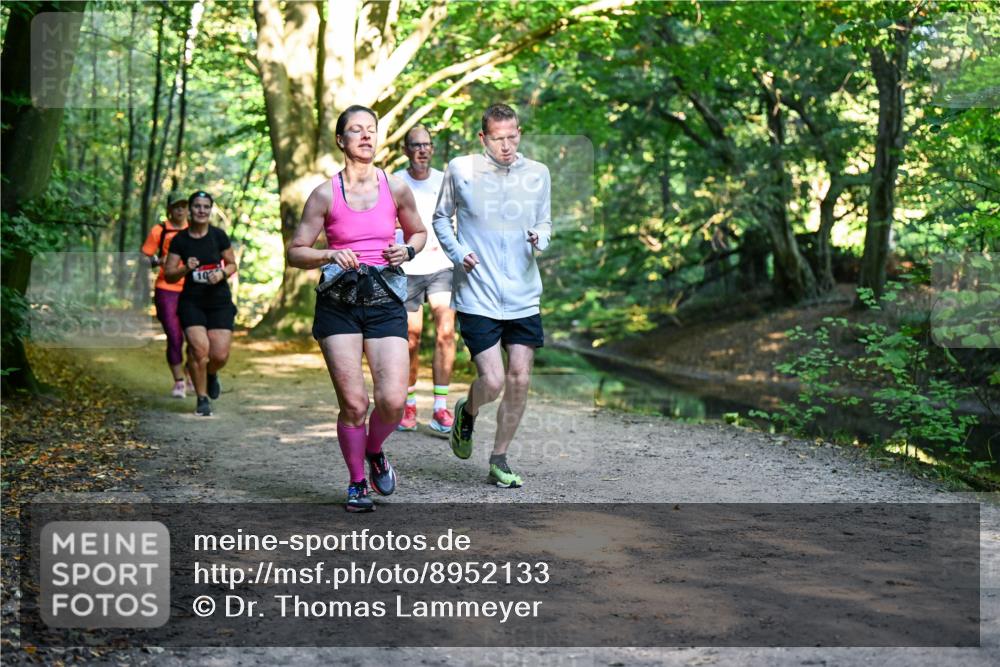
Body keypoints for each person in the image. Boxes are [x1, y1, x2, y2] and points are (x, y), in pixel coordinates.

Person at [288, 105, 426, 513]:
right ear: (340, 140)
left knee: (392, 401)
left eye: (371, 130)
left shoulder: (396, 187)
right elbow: (295, 252)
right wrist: (329, 253)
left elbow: (418, 232)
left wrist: (407, 249)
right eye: (356, 130)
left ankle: (376, 449)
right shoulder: (325, 194)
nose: (366, 136)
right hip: (339, 305)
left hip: (385, 301)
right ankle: (356, 482)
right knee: (354, 404)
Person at [432, 103, 551, 489]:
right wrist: (457, 252)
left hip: (522, 292)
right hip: (477, 291)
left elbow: (544, 220)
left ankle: (499, 457)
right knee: (495, 381)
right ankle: (468, 411)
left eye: (513, 136)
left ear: (520, 132)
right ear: (483, 138)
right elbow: (440, 218)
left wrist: (541, 237)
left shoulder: (537, 174)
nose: (506, 145)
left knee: (520, 378)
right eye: (498, 138)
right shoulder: (460, 170)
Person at [393, 125, 456, 434]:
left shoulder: (445, 181)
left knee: (446, 332)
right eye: (415, 145)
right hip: (406, 269)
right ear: (406, 150)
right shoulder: (393, 182)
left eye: (427, 144)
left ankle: (441, 409)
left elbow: (458, 219)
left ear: (432, 149)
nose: (422, 149)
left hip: (442, 266)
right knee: (410, 337)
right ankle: (409, 404)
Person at [163, 191, 238, 417]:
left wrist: (222, 273)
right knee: (199, 350)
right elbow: (169, 274)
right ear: (190, 210)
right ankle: (202, 399)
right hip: (192, 302)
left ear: (210, 210)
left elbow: (232, 264)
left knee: (219, 356)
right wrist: (186, 267)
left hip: (219, 302)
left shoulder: (218, 236)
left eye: (206, 206)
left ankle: (211, 374)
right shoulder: (180, 240)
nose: (201, 211)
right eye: (197, 206)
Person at [141, 191, 193, 398]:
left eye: (184, 206)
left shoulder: (196, 229)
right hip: (167, 289)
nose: (180, 210)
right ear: (169, 209)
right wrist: (158, 261)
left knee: (194, 336)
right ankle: (179, 381)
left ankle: (190, 374)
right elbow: (144, 258)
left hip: (193, 289)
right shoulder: (159, 230)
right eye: (176, 206)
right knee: (174, 335)